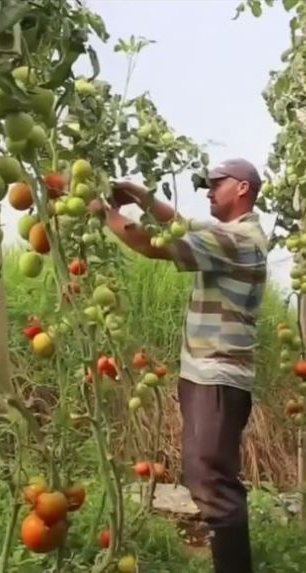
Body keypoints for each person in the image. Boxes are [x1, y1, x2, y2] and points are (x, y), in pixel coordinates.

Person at [87, 159, 268, 573]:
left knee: (213, 486)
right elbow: (182, 226)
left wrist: (103, 213)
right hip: (207, 376)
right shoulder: (232, 235)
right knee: (207, 478)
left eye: (215, 184)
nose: (208, 191)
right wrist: (135, 192)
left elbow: (155, 244)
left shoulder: (238, 239)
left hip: (217, 377)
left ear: (242, 189)